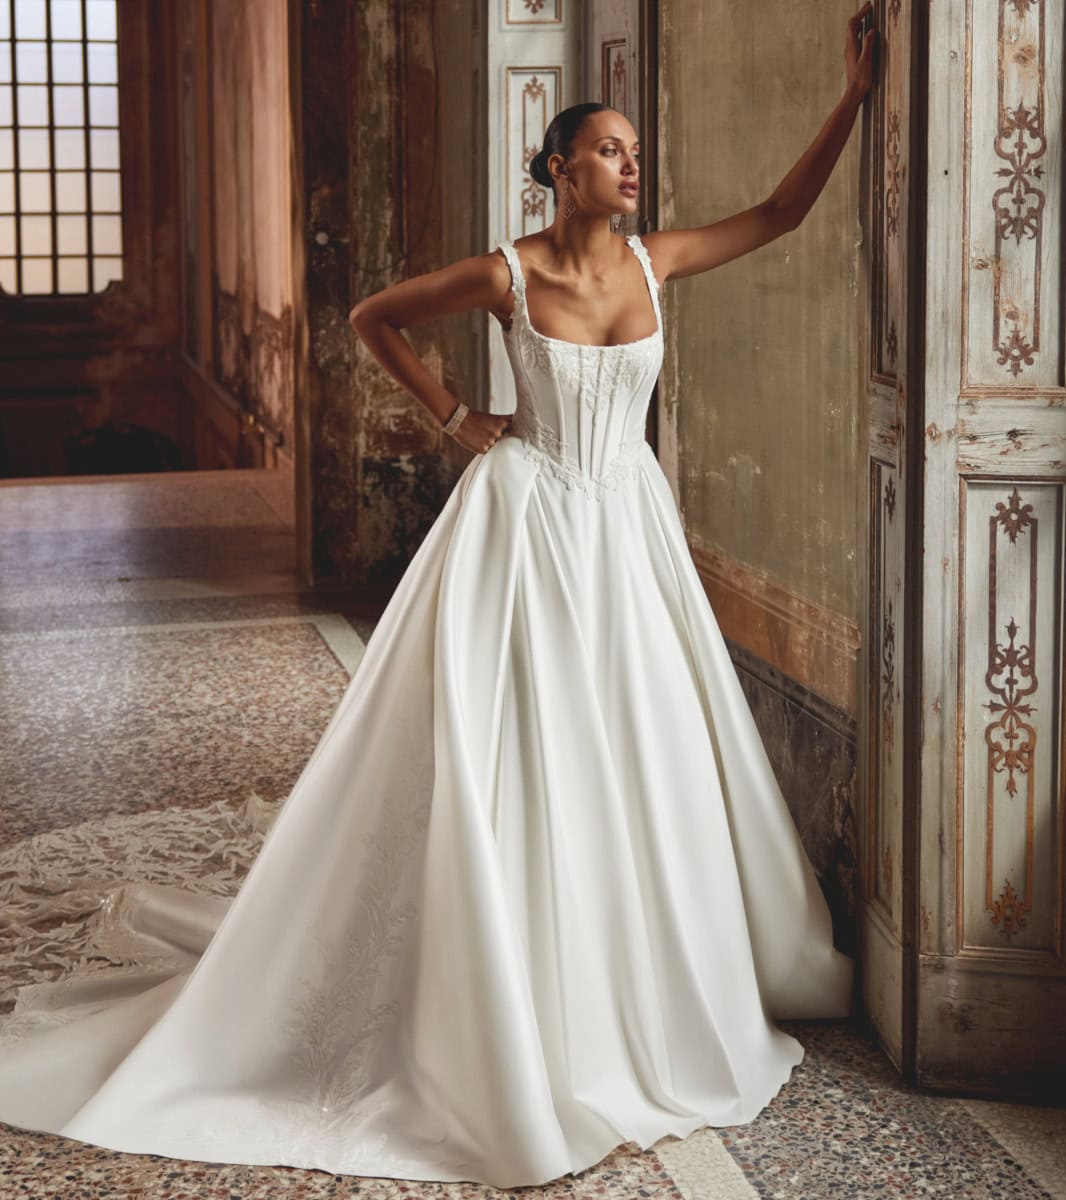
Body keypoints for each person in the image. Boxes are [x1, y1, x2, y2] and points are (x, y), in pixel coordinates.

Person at [0, 6, 876, 1189]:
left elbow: (779, 214)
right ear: (560, 166)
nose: (631, 166)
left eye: (632, 153)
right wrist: (457, 418)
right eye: (609, 151)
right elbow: (371, 319)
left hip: (626, 527)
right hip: (528, 521)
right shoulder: (505, 271)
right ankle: (505, 976)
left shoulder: (654, 261)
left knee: (638, 743)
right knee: (523, 745)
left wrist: (854, 98)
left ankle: (632, 961)